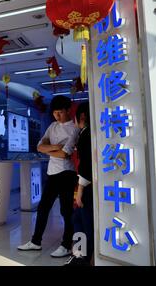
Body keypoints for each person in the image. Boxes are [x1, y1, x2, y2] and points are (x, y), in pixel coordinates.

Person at [18, 95, 79, 258]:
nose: (57, 116)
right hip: (52, 173)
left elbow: (64, 154)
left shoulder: (74, 128)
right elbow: (39, 146)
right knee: (43, 208)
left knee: (66, 210)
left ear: (68, 110)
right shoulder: (52, 126)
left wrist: (50, 149)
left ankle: (66, 245)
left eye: (60, 112)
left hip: (67, 173)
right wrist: (54, 147)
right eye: (54, 113)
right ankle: (35, 242)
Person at [65, 102, 94, 266]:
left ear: (81, 116)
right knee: (78, 219)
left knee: (84, 223)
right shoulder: (85, 134)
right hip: (85, 185)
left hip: (87, 187)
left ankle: (82, 259)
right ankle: (79, 255)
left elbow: (86, 165)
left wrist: (81, 190)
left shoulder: (86, 135)